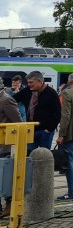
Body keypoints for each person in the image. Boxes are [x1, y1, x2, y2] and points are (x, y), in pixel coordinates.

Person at [13, 71, 61, 151]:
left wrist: (49, 129)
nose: (29, 84)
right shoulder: (27, 91)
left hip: (45, 131)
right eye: (28, 82)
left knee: (43, 156)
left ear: (40, 81)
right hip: (30, 130)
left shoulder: (51, 93)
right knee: (29, 155)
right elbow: (12, 100)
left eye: (31, 82)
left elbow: (57, 113)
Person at [0, 79, 23, 218]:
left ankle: (8, 206)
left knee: (5, 178)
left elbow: (18, 122)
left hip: (4, 146)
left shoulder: (6, 100)